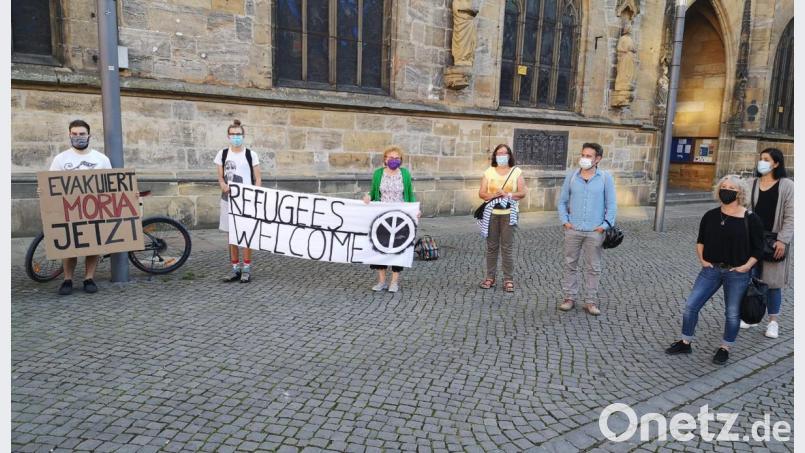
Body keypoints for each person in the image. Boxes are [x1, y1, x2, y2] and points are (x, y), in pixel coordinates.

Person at [666, 175, 764, 365]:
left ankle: (725, 347)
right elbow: (700, 240)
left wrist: (746, 267)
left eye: (731, 188)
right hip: (711, 269)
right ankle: (685, 342)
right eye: (723, 186)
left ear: (740, 193)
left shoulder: (750, 219)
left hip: (737, 273)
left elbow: (758, 249)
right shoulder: (710, 215)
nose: (726, 190)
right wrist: (702, 259)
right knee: (691, 306)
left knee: (732, 313)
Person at [45, 119, 112, 295]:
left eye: (82, 134)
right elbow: (50, 183)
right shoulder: (61, 159)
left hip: (95, 208)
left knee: (93, 245)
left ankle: (89, 278)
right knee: (70, 246)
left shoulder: (101, 159)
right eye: (74, 134)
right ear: (69, 135)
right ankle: (67, 280)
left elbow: (112, 186)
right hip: (69, 210)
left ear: (89, 135)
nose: (78, 137)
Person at [739, 148, 794, 338]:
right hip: (752, 239)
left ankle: (773, 322)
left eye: (766, 159)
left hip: (774, 240)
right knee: (750, 279)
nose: (761, 162)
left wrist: (782, 240)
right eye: (760, 159)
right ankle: (750, 316)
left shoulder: (787, 186)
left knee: (772, 283)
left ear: (776, 164)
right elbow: (742, 208)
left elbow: (791, 216)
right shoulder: (751, 183)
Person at [557, 143, 616, 315]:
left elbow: (611, 205)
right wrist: (565, 221)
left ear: (598, 159)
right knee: (570, 264)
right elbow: (562, 201)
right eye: (583, 155)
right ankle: (569, 297)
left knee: (593, 267)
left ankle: (590, 301)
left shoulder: (605, 178)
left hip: (594, 231)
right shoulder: (572, 177)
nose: (584, 158)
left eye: (589, 156)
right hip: (573, 229)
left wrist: (603, 226)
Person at [363, 145, 417, 293]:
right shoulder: (378, 173)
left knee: (397, 248)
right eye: (390, 157)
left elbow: (410, 194)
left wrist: (415, 210)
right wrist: (368, 197)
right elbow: (373, 192)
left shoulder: (404, 174)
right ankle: (381, 282)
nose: (394, 160)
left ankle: (394, 282)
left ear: (401, 160)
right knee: (380, 247)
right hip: (382, 217)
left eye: (397, 158)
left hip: (400, 216)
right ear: (385, 159)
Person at [214, 119, 261, 283]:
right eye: (233, 134)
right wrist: (222, 184)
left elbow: (258, 178)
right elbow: (220, 176)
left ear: (243, 135)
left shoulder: (250, 154)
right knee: (231, 236)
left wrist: (255, 196)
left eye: (238, 134)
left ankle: (247, 268)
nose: (236, 137)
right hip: (228, 200)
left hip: (246, 201)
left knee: (247, 235)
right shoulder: (223, 154)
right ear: (228, 136)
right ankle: (235, 268)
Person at [478, 144, 527, 293]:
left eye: (504, 153)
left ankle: (508, 279)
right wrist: (494, 195)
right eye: (499, 153)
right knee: (492, 247)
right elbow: (481, 193)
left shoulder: (516, 172)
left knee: (507, 248)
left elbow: (522, 192)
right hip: (491, 214)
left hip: (509, 214)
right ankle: (490, 277)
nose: (502, 156)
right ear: (495, 156)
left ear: (509, 155)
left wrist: (508, 195)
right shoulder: (489, 172)